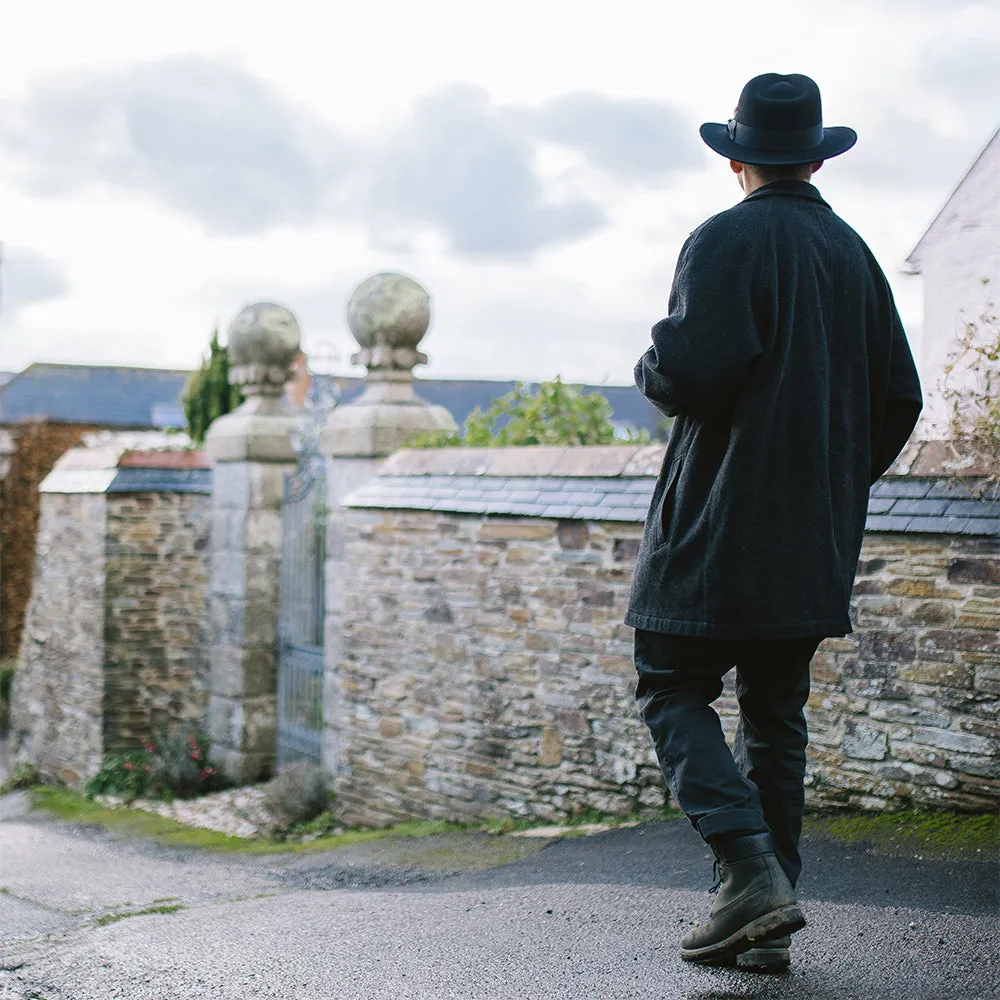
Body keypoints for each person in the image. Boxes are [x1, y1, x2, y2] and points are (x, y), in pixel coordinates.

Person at [626, 73, 922, 971]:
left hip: (717, 529)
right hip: (812, 540)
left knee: (669, 684)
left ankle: (748, 871)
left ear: (735, 157)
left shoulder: (725, 239)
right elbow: (900, 398)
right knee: (775, 715)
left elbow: (691, 372)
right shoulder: (853, 253)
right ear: (815, 155)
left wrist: (651, 363)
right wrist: (829, 482)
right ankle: (765, 918)